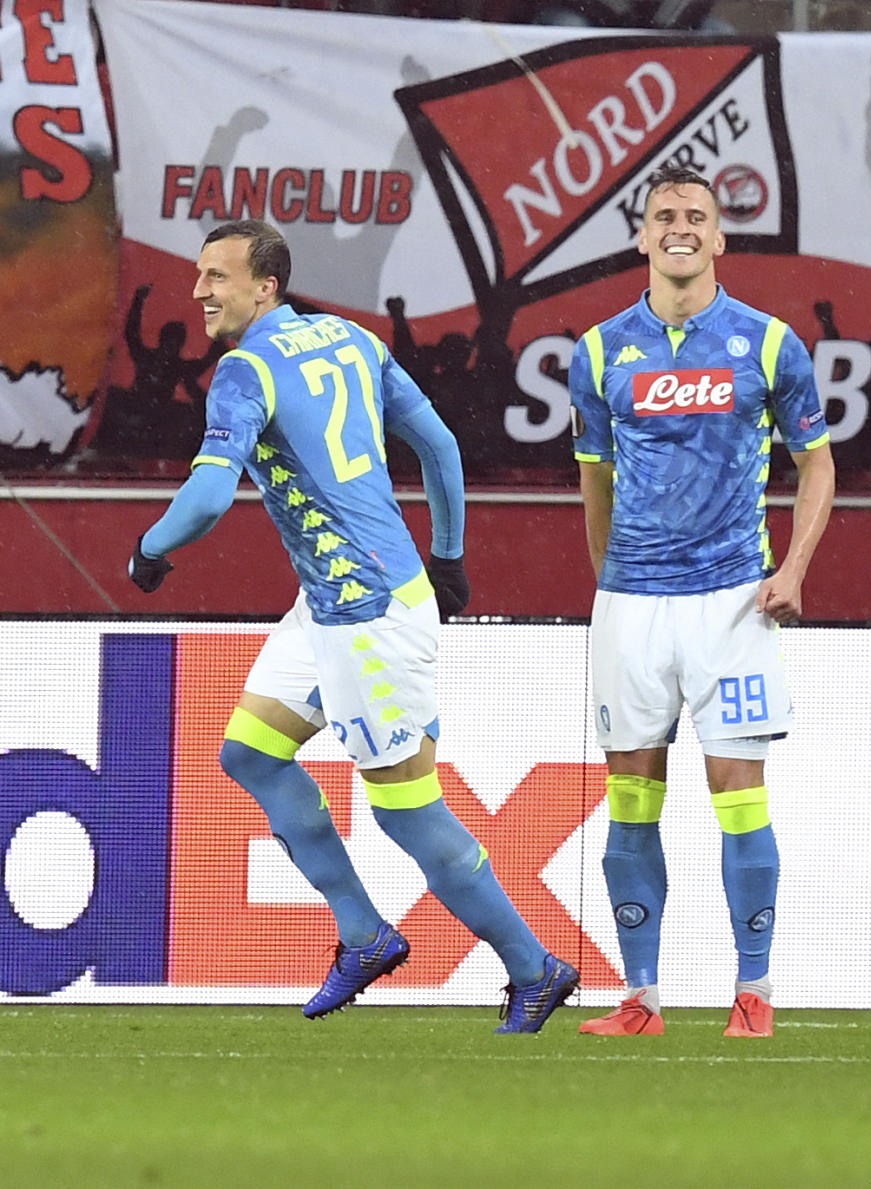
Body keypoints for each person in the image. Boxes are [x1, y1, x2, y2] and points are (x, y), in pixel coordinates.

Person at [128, 219, 578, 1032]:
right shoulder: (351, 340)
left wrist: (150, 551)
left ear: (266, 286)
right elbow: (439, 443)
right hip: (345, 598)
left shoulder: (243, 372)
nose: (199, 291)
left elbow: (203, 500)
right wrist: (447, 555)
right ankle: (364, 934)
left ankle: (534, 966)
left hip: (364, 615)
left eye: (217, 276)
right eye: (199, 275)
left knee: (407, 809)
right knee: (251, 753)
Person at [568, 165, 835, 1038]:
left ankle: (753, 990)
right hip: (632, 609)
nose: (679, 227)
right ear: (641, 238)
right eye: (663, 216)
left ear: (720, 239)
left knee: (740, 799)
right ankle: (641, 996)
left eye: (696, 216)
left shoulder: (767, 343)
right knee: (631, 803)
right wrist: (612, 584)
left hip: (733, 603)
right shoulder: (601, 351)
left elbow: (818, 464)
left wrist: (792, 568)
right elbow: (594, 481)